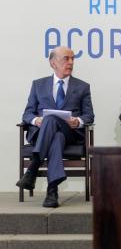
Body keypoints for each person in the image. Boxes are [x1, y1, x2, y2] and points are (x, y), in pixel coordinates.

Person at [16, 46, 95, 208]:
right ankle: (52, 191)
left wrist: (78, 121)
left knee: (52, 120)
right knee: (55, 134)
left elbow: (89, 116)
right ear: (53, 63)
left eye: (72, 59)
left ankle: (33, 167)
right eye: (66, 58)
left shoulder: (82, 87)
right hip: (42, 133)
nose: (71, 62)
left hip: (70, 134)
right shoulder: (38, 85)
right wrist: (36, 120)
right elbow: (27, 114)